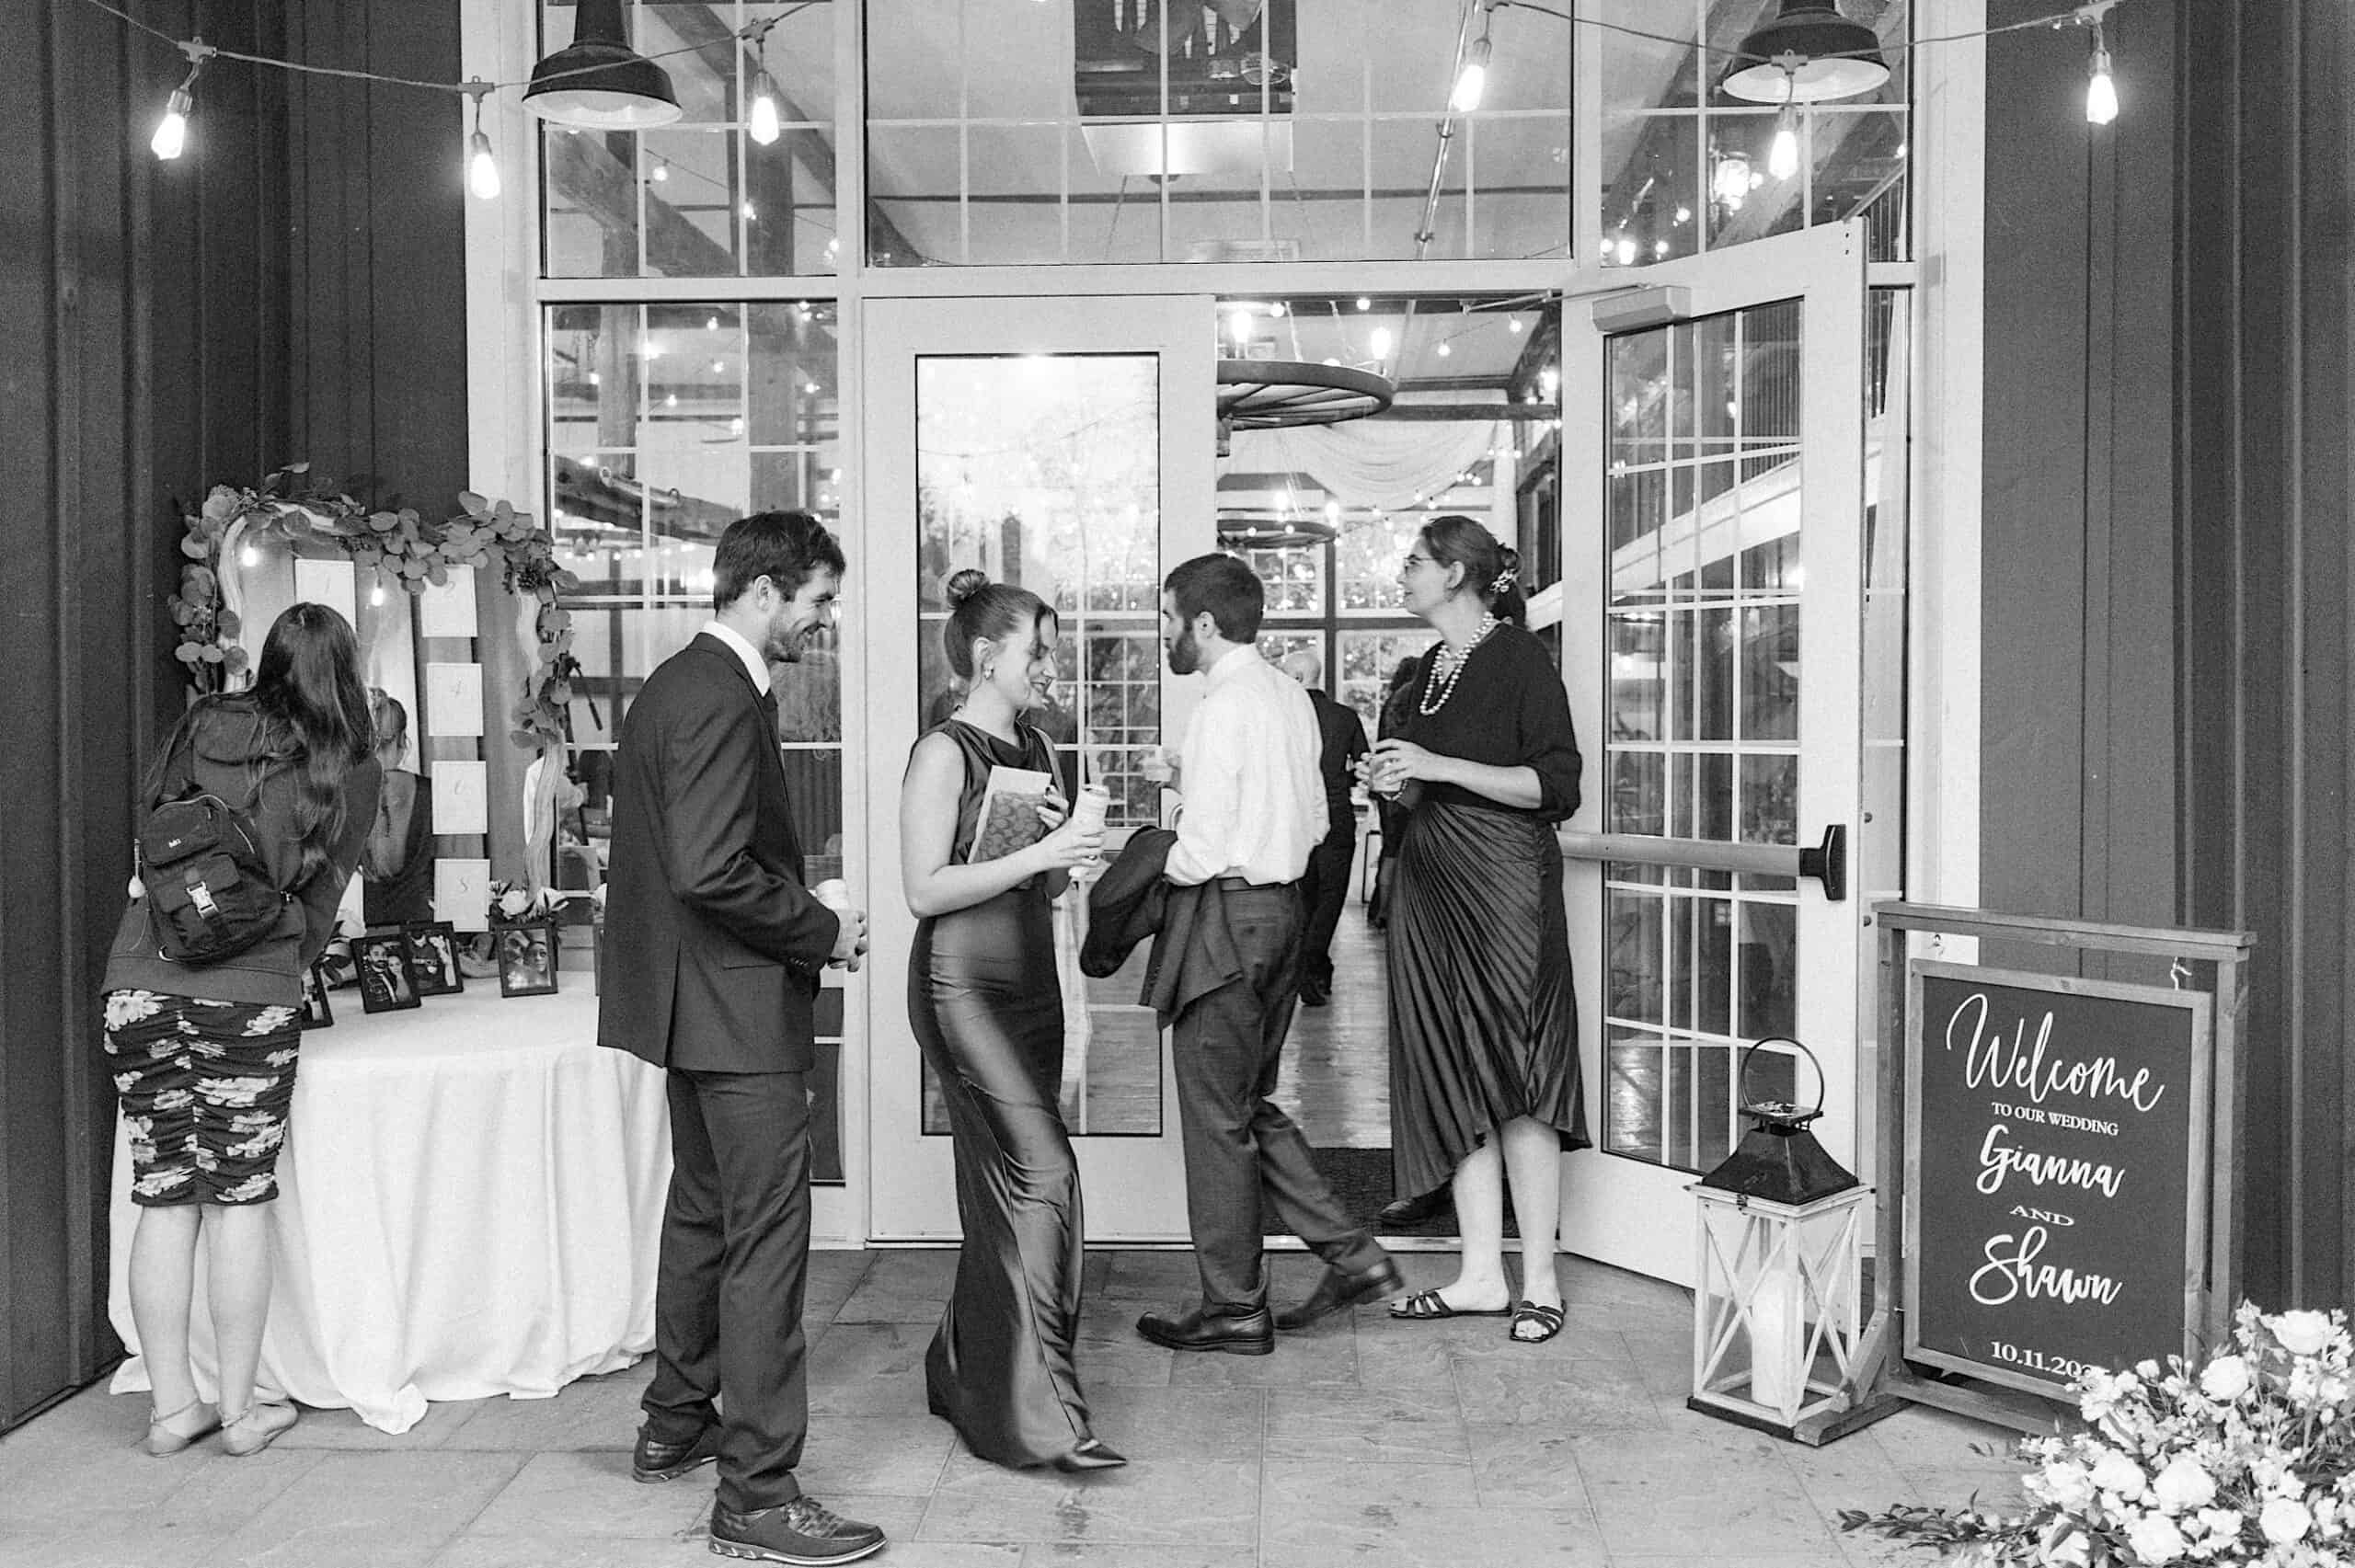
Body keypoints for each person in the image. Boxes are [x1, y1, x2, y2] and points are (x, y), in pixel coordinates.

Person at [597, 510, 885, 1565]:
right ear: (763, 590)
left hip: (689, 1009)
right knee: (765, 1243)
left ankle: (676, 1422)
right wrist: (824, 925)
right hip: (737, 1011)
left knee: (705, 1218)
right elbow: (711, 869)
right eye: (816, 601)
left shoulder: (674, 684)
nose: (821, 621)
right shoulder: (723, 697)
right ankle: (758, 1494)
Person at [101, 602, 382, 1458]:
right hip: (249, 993)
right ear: (345, 670)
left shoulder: (201, 722)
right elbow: (323, 909)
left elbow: (149, 854)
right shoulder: (351, 765)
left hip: (138, 982)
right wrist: (280, 960)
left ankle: (170, 1409)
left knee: (163, 1191)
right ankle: (238, 1411)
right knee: (237, 1197)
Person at [1134, 554, 1402, 1355]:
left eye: (1169, 619)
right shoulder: (1291, 696)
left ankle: (1234, 1307)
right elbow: (1319, 821)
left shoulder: (1220, 707)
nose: (1167, 634)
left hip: (1228, 917)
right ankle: (1353, 1257)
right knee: (1247, 1099)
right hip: (1286, 914)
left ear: (1204, 625)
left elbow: (1205, 846)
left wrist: (1144, 858)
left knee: (1216, 1114)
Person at [900, 570, 1117, 1472]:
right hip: (960, 986)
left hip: (1029, 983)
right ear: (989, 655)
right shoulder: (941, 753)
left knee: (1001, 1191)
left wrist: (1071, 854)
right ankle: (1040, 1415)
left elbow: (1046, 881)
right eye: (1039, 650)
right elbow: (923, 889)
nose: (1049, 667)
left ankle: (958, 1366)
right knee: (1044, 1175)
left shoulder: (1035, 742)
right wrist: (1043, 848)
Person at [1368, 516, 1587, 1345]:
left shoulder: (1520, 657)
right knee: (1452, 1070)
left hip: (1505, 888)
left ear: (1457, 572)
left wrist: (1436, 767)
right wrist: (1394, 777)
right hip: (1430, 886)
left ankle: (1540, 1279)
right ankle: (1479, 1275)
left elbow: (1557, 785)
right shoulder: (1426, 669)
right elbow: (1426, 784)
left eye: (1414, 561)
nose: (1402, 573)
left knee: (1521, 1075)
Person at [1278, 648, 1368, 1007]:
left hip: (1294, 819)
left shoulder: (1280, 718)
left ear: (1297, 678)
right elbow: (1365, 764)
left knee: (1303, 898)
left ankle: (1310, 964)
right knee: (1331, 898)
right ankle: (1313, 962)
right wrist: (1337, 778)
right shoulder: (1344, 717)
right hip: (1337, 815)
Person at [359, 691, 434, 926]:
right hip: (420, 931)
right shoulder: (430, 792)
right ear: (403, 739)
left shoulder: (343, 795)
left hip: (361, 936)